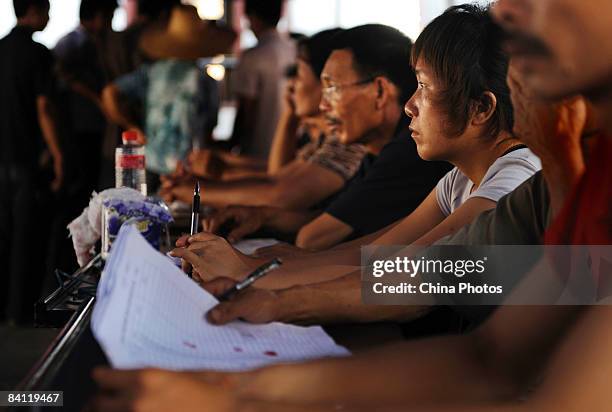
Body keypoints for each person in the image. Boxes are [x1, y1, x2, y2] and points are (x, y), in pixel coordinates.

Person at [91, 0, 612, 410]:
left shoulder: (522, 170)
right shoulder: (562, 179)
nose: (508, 12)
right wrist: (268, 310)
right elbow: (444, 291)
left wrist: (241, 398)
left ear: (480, 109)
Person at [174, 4, 541, 299]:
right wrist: (251, 267)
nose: (410, 105)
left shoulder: (515, 177)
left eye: (425, 87)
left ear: (481, 108)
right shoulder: (458, 181)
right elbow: (367, 257)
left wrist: (254, 277)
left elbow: (401, 276)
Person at [189, 24, 452, 250]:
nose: (324, 106)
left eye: (332, 88)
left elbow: (314, 237)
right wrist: (262, 216)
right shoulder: (378, 150)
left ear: (381, 92)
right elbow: (329, 216)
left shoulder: (409, 152)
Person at [159, 29, 368, 215]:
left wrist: (198, 190)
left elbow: (281, 192)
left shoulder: (348, 142)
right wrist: (217, 172)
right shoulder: (329, 139)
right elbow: (279, 176)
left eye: (299, 76)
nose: (291, 87)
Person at [101, 5, 236, 193]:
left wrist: (131, 126)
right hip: (189, 170)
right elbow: (210, 126)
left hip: (150, 164)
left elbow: (109, 93)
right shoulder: (205, 80)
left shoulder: (152, 73)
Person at [0, 0, 63, 324]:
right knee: (26, 239)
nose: (50, 17)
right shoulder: (38, 54)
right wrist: (58, 154)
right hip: (26, 161)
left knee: (3, 235)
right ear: (34, 11)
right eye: (47, 10)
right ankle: (18, 312)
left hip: (2, 159)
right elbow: (44, 110)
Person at [228, 0, 296, 158]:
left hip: (256, 149)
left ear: (252, 17)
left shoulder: (252, 57)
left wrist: (232, 145)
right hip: (289, 150)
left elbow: (246, 111)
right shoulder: (294, 50)